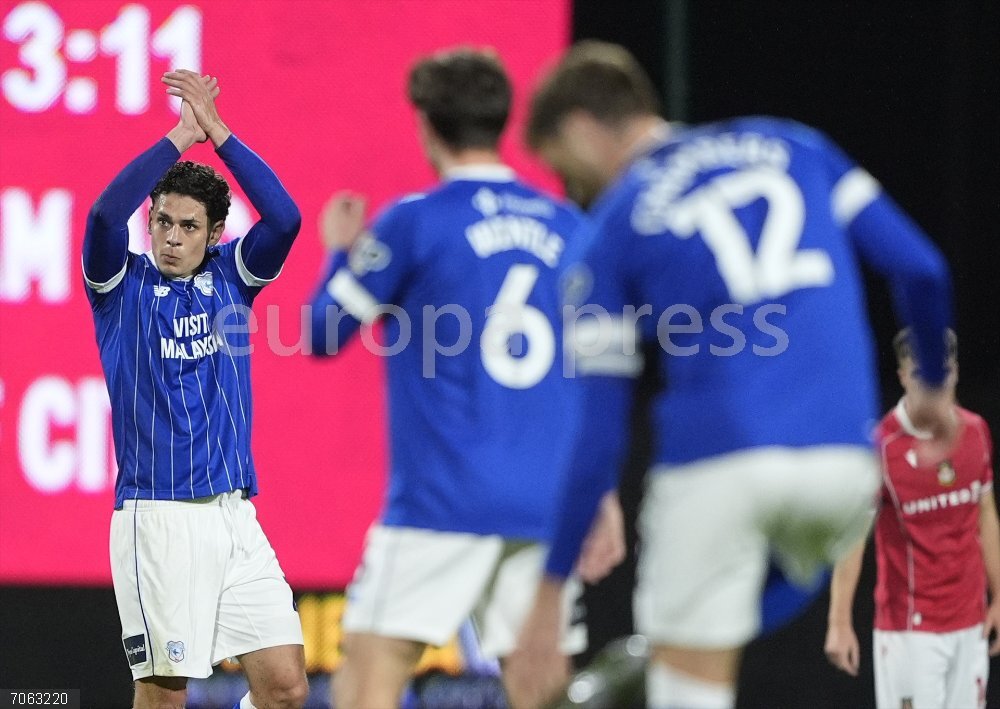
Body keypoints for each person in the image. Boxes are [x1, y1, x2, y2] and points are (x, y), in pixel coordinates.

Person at [506, 41, 958, 709]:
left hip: (716, 468)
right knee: (754, 587)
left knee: (687, 676)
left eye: (567, 169)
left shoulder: (610, 228)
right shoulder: (795, 144)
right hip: (844, 467)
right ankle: (655, 648)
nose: (576, 189)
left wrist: (548, 593)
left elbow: (598, 430)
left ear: (579, 128)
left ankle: (659, 654)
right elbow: (922, 270)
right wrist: (933, 388)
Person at [306, 48, 618, 709]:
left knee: (365, 683)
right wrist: (605, 491)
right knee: (543, 691)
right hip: (546, 502)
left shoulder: (415, 221)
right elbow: (602, 370)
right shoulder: (570, 227)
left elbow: (322, 333)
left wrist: (339, 252)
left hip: (440, 503)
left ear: (426, 125)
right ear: (502, 121)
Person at [83, 70, 307, 709]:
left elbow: (286, 217)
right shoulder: (119, 288)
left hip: (236, 516)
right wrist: (180, 137)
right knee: (163, 695)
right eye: (161, 223)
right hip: (158, 518)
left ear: (214, 236)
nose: (171, 237)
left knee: (287, 689)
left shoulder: (233, 281)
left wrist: (223, 136)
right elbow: (103, 215)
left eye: (187, 226)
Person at [825, 329, 999, 709]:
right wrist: (839, 622)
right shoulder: (881, 448)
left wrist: (999, 594)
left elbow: (985, 513)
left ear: (954, 371)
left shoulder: (976, 432)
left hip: (969, 623)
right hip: (909, 630)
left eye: (942, 372)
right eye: (921, 374)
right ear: (903, 376)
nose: (934, 385)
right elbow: (852, 537)